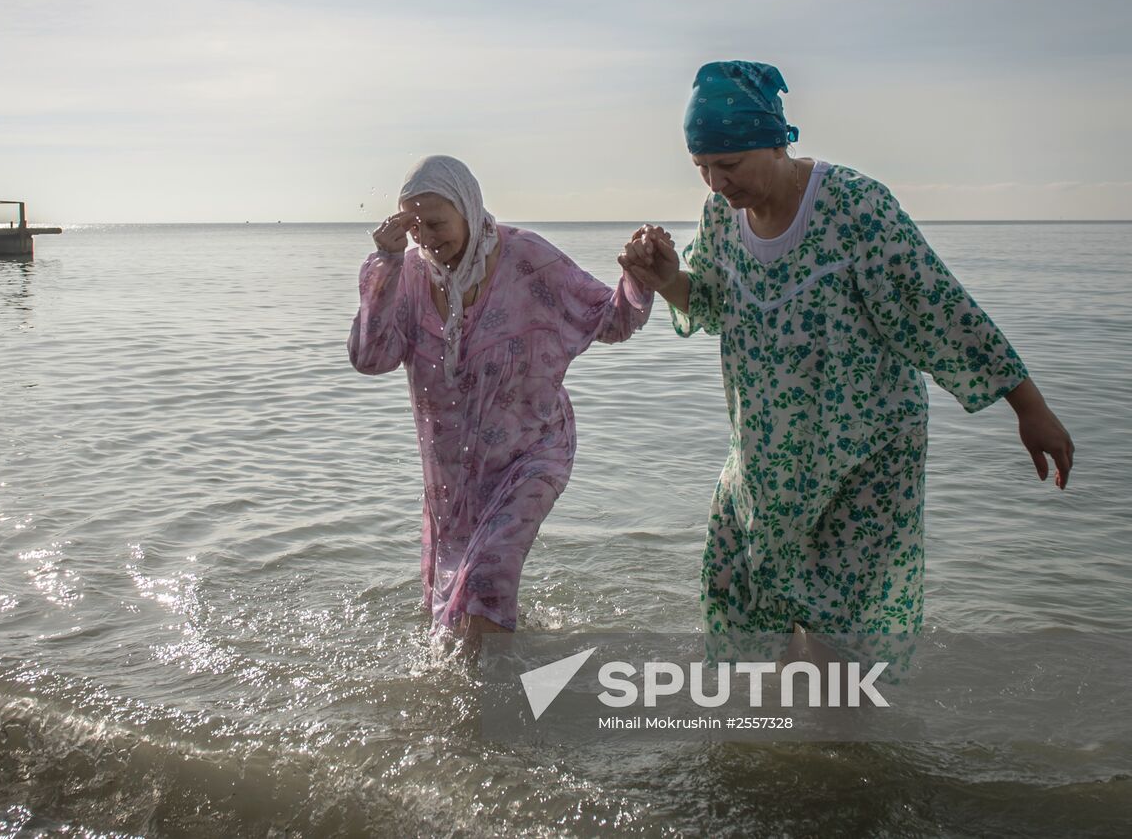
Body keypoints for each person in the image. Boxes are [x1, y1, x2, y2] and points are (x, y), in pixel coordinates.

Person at [618, 60, 1074, 670]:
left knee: (846, 636)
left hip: (866, 456)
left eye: (729, 164)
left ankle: (850, 754)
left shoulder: (855, 208)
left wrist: (1030, 407)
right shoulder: (721, 219)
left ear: (777, 140)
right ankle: (779, 753)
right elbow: (711, 304)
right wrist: (669, 278)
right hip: (767, 456)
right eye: (702, 167)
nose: (716, 182)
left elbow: (938, 308)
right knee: (749, 612)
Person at [349, 155, 653, 649]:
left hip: (534, 452)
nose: (426, 237)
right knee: (458, 615)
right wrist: (383, 263)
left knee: (487, 577)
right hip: (453, 476)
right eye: (414, 225)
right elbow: (370, 356)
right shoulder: (405, 276)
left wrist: (641, 275)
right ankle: (481, 692)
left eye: (436, 222)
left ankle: (493, 709)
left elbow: (610, 319)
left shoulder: (527, 258)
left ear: (468, 209)